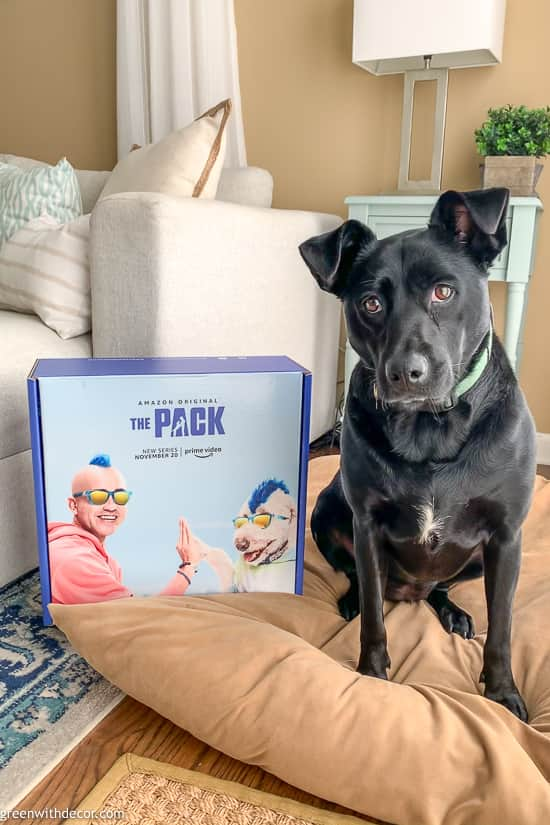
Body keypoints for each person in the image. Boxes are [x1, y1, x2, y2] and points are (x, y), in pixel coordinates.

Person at [47, 454, 234, 604]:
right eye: (98, 497)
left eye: (120, 497)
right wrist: (189, 566)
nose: (111, 506)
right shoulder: (75, 561)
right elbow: (140, 616)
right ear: (73, 505)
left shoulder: (103, 559)